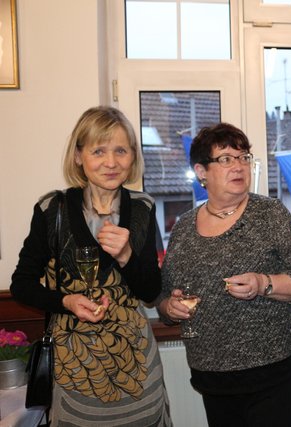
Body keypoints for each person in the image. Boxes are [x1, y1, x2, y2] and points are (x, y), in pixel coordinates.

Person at [11, 106, 172, 426]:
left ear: (133, 156)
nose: (111, 162)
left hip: (139, 370)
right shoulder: (52, 209)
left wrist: (126, 255)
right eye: (99, 151)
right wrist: (66, 301)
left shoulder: (142, 207)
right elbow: (21, 285)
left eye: (121, 150)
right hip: (74, 373)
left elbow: (151, 292)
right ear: (78, 156)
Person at [157, 122, 291, 427]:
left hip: (271, 372)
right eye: (226, 159)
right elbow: (165, 297)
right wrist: (170, 307)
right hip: (211, 377)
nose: (239, 166)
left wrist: (262, 283)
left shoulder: (270, 213)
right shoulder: (184, 227)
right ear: (201, 171)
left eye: (244, 157)